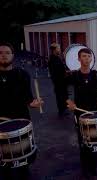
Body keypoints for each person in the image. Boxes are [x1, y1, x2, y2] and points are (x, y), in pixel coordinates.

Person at [66, 48, 97, 178]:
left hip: (94, 112)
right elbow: (61, 89)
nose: (87, 59)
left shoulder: (95, 75)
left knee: (96, 140)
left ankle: (93, 167)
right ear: (79, 59)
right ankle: (85, 167)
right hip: (80, 113)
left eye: (88, 56)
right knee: (83, 141)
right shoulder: (74, 75)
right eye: (84, 56)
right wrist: (69, 102)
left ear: (91, 59)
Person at [0, 42, 43, 180]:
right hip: (1, 124)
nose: (4, 55)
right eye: (0, 53)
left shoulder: (22, 74)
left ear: (13, 55)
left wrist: (34, 103)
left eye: (7, 52)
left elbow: (28, 98)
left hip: (21, 121)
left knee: (23, 160)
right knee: (4, 162)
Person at [48, 43, 69, 116]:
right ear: (54, 50)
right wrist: (64, 73)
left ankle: (63, 109)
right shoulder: (53, 59)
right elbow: (56, 72)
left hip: (61, 81)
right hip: (59, 82)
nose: (60, 50)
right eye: (58, 48)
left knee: (63, 95)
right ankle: (61, 111)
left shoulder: (56, 58)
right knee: (60, 96)